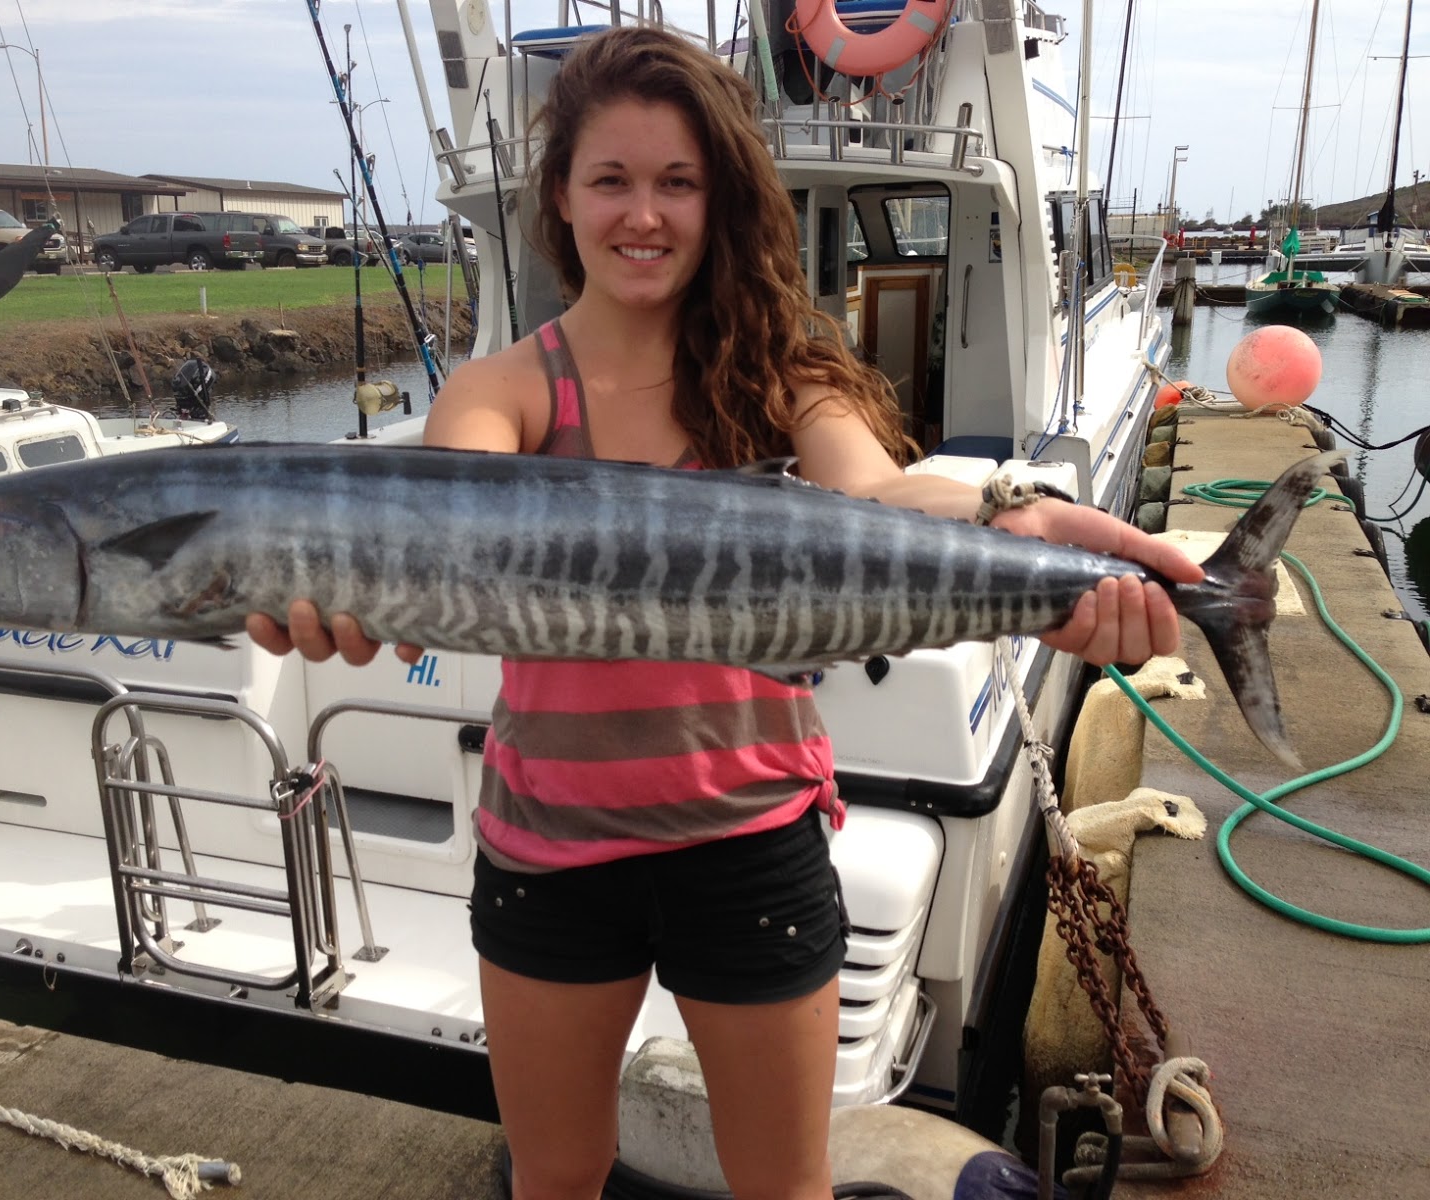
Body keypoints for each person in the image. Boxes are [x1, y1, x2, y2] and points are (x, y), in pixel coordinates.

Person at [248, 25, 1202, 1200]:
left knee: (781, 1188)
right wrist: (335, 594)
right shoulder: (497, 395)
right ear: (561, 196)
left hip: (749, 844)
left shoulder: (781, 373)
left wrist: (1017, 507)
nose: (642, 214)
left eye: (677, 182)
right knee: (552, 1180)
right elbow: (451, 528)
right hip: (551, 853)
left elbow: (872, 501)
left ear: (718, 201)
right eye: (611, 180)